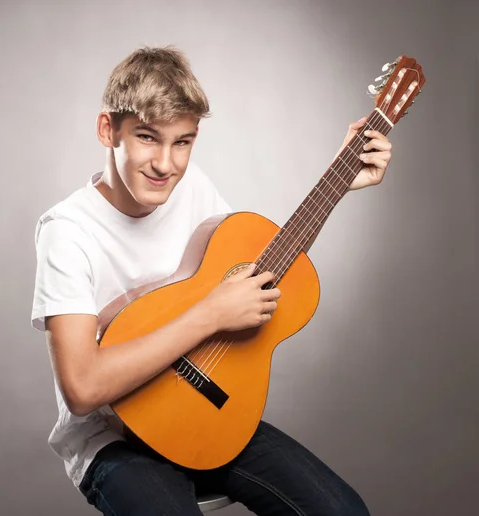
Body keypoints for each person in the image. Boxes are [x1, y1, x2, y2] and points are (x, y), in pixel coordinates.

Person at [31, 46, 392, 515]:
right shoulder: (67, 231)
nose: (165, 164)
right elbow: (82, 388)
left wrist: (338, 183)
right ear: (108, 130)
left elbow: (260, 274)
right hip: (114, 438)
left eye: (182, 142)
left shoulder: (191, 187)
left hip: (206, 413)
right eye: (147, 137)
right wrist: (210, 315)